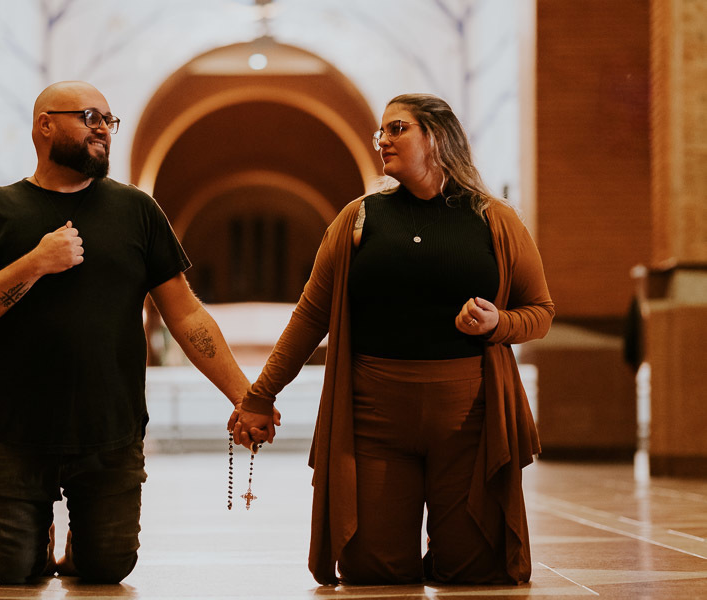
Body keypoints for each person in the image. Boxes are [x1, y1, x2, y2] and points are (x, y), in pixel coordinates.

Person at [0, 81, 273, 585]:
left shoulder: (136, 210)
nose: (103, 130)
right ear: (45, 124)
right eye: (89, 117)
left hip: (110, 430)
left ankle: (81, 542)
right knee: (10, 570)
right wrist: (34, 263)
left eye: (108, 121)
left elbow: (187, 315)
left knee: (108, 567)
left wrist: (245, 396)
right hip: (16, 431)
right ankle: (38, 537)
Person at [232, 93, 554, 585]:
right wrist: (261, 395)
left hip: (468, 419)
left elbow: (540, 312)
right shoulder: (359, 218)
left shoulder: (494, 219)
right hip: (375, 416)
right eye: (380, 132)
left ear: (437, 137)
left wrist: (498, 324)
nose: (382, 140)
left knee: (474, 569)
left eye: (397, 128)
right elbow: (311, 317)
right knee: (372, 569)